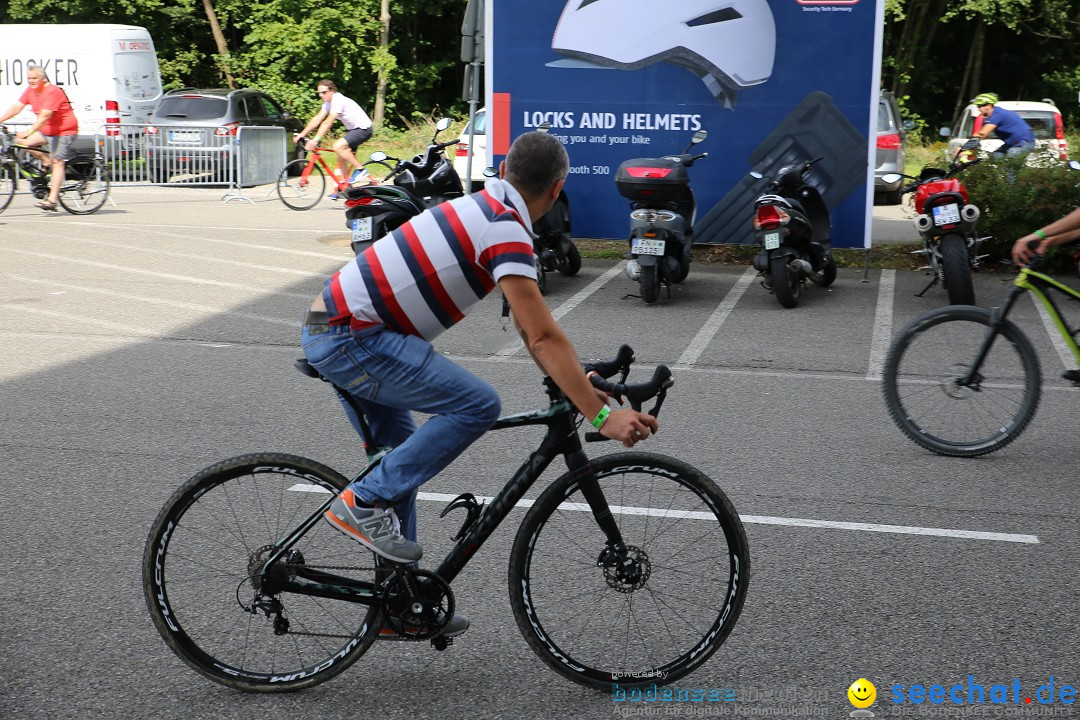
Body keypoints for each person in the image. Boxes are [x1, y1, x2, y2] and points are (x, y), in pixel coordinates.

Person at [301, 130, 657, 637]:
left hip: (344, 328)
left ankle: (396, 609)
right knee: (477, 404)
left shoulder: (486, 206)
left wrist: (581, 384)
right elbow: (539, 335)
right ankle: (360, 503)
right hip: (350, 335)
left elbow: (533, 328)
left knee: (403, 460)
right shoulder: (505, 227)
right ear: (557, 190)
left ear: (508, 169)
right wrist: (601, 415)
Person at [0, 65, 79, 211]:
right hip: (47, 130)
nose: (31, 81)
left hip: (64, 131)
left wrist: (29, 131)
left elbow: (45, 115)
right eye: (29, 78)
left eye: (35, 78)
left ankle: (52, 200)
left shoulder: (52, 91)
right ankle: (44, 160)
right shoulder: (31, 90)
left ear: (43, 78)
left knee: (57, 162)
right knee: (19, 142)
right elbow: (17, 107)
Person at [295, 79, 373, 198]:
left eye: (324, 92)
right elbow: (317, 119)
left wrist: (316, 139)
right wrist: (302, 134)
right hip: (353, 130)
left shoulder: (338, 100)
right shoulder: (328, 103)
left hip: (363, 129)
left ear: (332, 90)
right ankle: (345, 188)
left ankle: (360, 170)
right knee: (341, 156)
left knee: (337, 146)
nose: (321, 95)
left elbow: (328, 122)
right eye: (319, 93)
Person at [970, 93, 1035, 157]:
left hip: (1022, 143)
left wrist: (966, 147)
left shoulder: (997, 114)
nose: (978, 109)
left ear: (988, 105)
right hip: (1013, 144)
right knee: (996, 157)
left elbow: (983, 134)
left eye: (979, 106)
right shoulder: (995, 115)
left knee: (1008, 164)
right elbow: (982, 135)